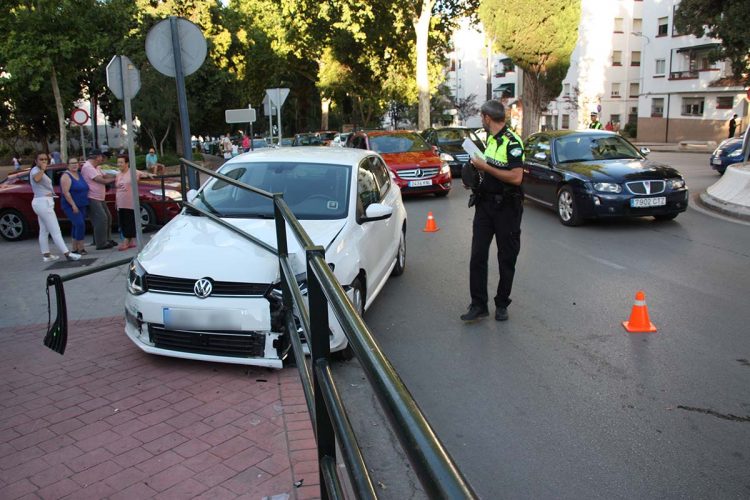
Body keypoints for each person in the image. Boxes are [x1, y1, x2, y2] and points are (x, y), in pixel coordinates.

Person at [461, 100, 525, 322]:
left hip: (507, 208)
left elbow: (516, 177)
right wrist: (475, 178)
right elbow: (490, 172)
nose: (482, 121)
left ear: (487, 118)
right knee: (477, 256)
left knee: (506, 258)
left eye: (482, 117)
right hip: (485, 206)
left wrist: (485, 167)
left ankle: (501, 304)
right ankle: (478, 304)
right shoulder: (489, 140)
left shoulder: (512, 142)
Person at [29, 152, 81, 262]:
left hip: (43, 202)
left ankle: (46, 255)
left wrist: (52, 195)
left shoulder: (39, 171)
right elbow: (36, 179)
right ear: (36, 161)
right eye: (41, 159)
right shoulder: (35, 170)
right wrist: (42, 169)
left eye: (45, 159)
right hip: (43, 203)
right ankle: (67, 254)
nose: (44, 161)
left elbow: (44, 188)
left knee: (44, 230)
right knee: (55, 230)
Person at [114, 155, 151, 251]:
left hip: (130, 201)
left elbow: (143, 174)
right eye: (118, 162)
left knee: (129, 221)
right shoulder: (118, 174)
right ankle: (130, 242)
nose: (119, 164)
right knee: (123, 222)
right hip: (120, 201)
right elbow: (117, 188)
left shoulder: (133, 172)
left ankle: (126, 242)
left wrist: (150, 174)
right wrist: (116, 201)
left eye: (121, 162)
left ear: (127, 163)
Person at [81, 149, 116, 250]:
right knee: (101, 219)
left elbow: (105, 175)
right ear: (96, 157)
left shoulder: (95, 167)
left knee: (108, 217)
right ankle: (100, 243)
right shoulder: (88, 167)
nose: (103, 158)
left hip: (100, 197)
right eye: (101, 156)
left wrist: (118, 174)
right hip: (92, 197)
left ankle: (107, 239)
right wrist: (116, 179)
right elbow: (101, 180)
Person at [59, 156, 89, 255]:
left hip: (82, 204)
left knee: (76, 225)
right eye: (72, 163)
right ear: (68, 165)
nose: (75, 165)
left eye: (76, 162)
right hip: (71, 205)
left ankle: (74, 248)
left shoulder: (79, 175)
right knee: (80, 224)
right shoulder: (66, 176)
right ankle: (81, 248)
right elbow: (66, 193)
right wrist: (73, 205)